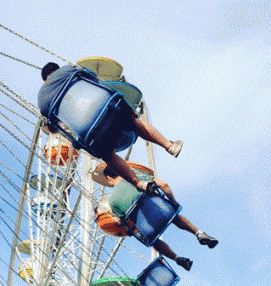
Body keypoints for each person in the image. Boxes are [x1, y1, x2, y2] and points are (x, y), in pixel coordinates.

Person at [38, 62, 183, 194]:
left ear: (45, 80)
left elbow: (53, 128)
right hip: (104, 106)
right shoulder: (68, 69)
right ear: (57, 69)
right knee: (133, 122)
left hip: (86, 129)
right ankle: (169, 146)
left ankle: (139, 184)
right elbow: (93, 79)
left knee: (108, 156)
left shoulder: (41, 98)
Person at [94, 169, 218, 271]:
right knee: (173, 215)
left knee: (153, 241)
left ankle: (177, 258)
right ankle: (198, 233)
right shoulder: (135, 178)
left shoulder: (113, 202)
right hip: (163, 211)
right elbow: (163, 185)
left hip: (149, 229)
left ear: (109, 179)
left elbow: (123, 223)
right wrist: (173, 202)